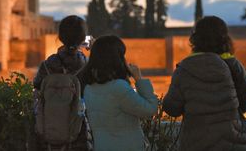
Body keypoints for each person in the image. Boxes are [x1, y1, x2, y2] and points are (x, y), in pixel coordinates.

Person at [163, 16, 246, 151]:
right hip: (235, 143)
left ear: (195, 39)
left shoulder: (185, 69)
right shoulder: (233, 65)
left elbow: (172, 109)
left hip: (197, 144)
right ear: (224, 38)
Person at [81, 35, 158, 151]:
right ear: (116, 58)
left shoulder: (89, 89)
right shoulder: (119, 88)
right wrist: (139, 79)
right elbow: (150, 110)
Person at [33, 15, 89, 151]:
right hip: (79, 133)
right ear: (83, 38)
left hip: (48, 132)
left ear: (60, 37)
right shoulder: (88, 66)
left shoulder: (47, 66)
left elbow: (37, 87)